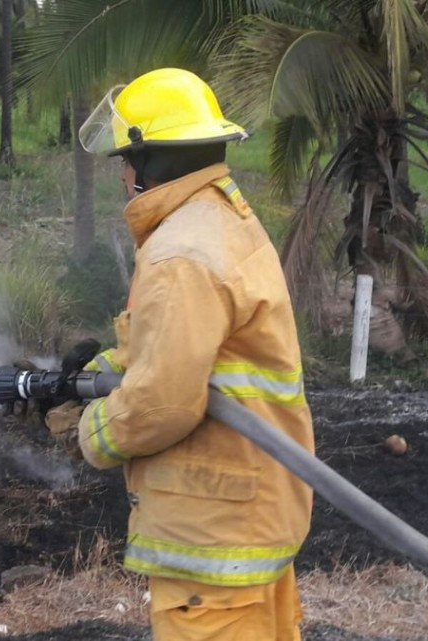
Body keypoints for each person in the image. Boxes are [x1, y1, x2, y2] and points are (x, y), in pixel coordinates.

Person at [44, 68, 315, 641]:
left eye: (126, 159)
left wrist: (86, 431)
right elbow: (172, 350)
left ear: (153, 162)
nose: (122, 174)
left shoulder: (180, 254)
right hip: (251, 514)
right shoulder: (221, 222)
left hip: (212, 537)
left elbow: (162, 403)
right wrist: (90, 380)